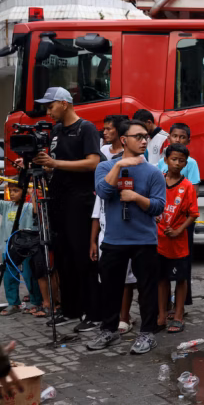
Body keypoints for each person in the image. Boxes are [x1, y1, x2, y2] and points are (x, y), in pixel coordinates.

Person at [89, 120, 165, 354]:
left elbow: (158, 206)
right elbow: (103, 192)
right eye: (138, 137)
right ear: (124, 140)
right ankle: (109, 330)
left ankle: (147, 333)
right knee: (110, 289)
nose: (144, 141)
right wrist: (120, 164)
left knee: (147, 290)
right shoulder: (105, 167)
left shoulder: (153, 172)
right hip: (114, 239)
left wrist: (136, 198)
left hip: (144, 240)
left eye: (146, 137)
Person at [32, 87, 101, 329]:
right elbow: (55, 164)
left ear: (64, 103)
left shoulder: (86, 128)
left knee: (83, 257)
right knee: (63, 258)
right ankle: (71, 309)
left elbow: (93, 162)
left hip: (79, 201)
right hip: (57, 199)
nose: (48, 112)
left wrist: (55, 163)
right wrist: (43, 165)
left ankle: (93, 313)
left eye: (50, 106)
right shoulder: (57, 130)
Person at [156, 144, 199, 334]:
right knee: (161, 278)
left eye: (181, 160)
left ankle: (179, 315)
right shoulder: (158, 181)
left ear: (186, 163)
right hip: (159, 241)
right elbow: (152, 204)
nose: (177, 163)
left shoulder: (187, 186)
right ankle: (161, 315)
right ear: (166, 160)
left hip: (179, 242)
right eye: (174, 159)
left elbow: (193, 214)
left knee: (181, 279)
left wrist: (179, 230)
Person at [90, 194, 138, 334]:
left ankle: (124, 317)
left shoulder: (128, 188)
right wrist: (92, 242)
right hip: (105, 238)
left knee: (126, 280)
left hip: (125, 237)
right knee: (107, 280)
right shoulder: (102, 189)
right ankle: (112, 317)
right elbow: (96, 217)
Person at [0, 181, 43, 317]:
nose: (12, 194)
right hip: (8, 247)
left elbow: (36, 213)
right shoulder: (6, 206)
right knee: (9, 277)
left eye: (16, 191)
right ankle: (13, 303)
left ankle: (36, 301)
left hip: (26, 247)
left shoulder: (28, 206)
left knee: (29, 276)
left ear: (24, 191)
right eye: (11, 191)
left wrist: (33, 195)